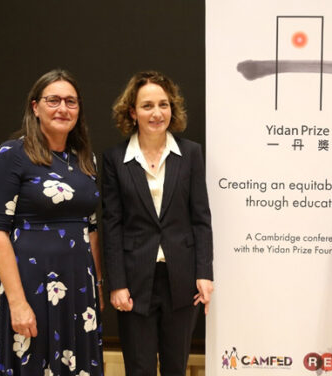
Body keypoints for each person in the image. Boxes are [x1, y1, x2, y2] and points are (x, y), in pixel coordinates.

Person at [0, 69, 104, 375]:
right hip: (31, 286)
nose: (63, 108)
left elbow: (91, 228)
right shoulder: (11, 155)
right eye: (53, 100)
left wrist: (98, 284)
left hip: (78, 288)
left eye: (71, 101)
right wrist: (17, 302)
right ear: (35, 107)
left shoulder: (85, 159)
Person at [102, 70, 213, 376]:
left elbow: (201, 218)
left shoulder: (191, 153)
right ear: (132, 111)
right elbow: (112, 224)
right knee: (139, 368)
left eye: (163, 104)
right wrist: (117, 283)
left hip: (182, 278)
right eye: (147, 105)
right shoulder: (115, 159)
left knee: (176, 366)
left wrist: (204, 272)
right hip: (135, 280)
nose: (157, 113)